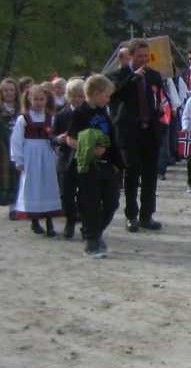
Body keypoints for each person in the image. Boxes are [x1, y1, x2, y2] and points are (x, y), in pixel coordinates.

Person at [109, 38, 165, 233]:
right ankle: (131, 215)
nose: (143, 60)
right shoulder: (118, 75)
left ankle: (147, 215)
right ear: (130, 57)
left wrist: (160, 113)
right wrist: (134, 79)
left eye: (145, 56)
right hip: (129, 132)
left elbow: (159, 98)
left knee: (150, 175)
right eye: (139, 56)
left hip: (150, 130)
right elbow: (117, 95)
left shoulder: (154, 75)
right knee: (132, 174)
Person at [67, 74, 122, 258]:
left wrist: (116, 162)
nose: (108, 99)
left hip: (107, 165)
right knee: (91, 203)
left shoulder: (103, 112)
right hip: (89, 165)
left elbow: (111, 137)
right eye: (106, 95)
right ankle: (91, 241)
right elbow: (71, 139)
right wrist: (90, 149)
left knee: (112, 202)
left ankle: (94, 233)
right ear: (96, 93)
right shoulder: (79, 113)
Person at [10, 84, 62, 236]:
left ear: (46, 100)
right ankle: (34, 220)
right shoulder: (23, 119)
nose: (38, 102)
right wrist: (18, 160)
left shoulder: (50, 118)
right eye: (35, 99)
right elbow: (16, 140)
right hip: (31, 156)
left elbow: (55, 138)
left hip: (46, 154)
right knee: (33, 186)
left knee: (48, 185)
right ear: (29, 100)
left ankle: (49, 221)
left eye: (41, 99)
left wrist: (57, 155)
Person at [51, 78, 85, 239]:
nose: (76, 99)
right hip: (65, 159)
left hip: (84, 159)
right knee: (65, 194)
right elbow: (52, 136)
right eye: (73, 96)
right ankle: (70, 220)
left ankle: (85, 223)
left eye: (80, 96)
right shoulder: (62, 115)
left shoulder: (90, 114)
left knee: (85, 193)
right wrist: (59, 139)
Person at [1, 77, 21, 216]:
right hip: (3, 145)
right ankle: (10, 203)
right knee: (7, 177)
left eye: (11, 90)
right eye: (5, 90)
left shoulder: (22, 107)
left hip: (19, 144)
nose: (9, 93)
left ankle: (16, 206)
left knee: (19, 174)